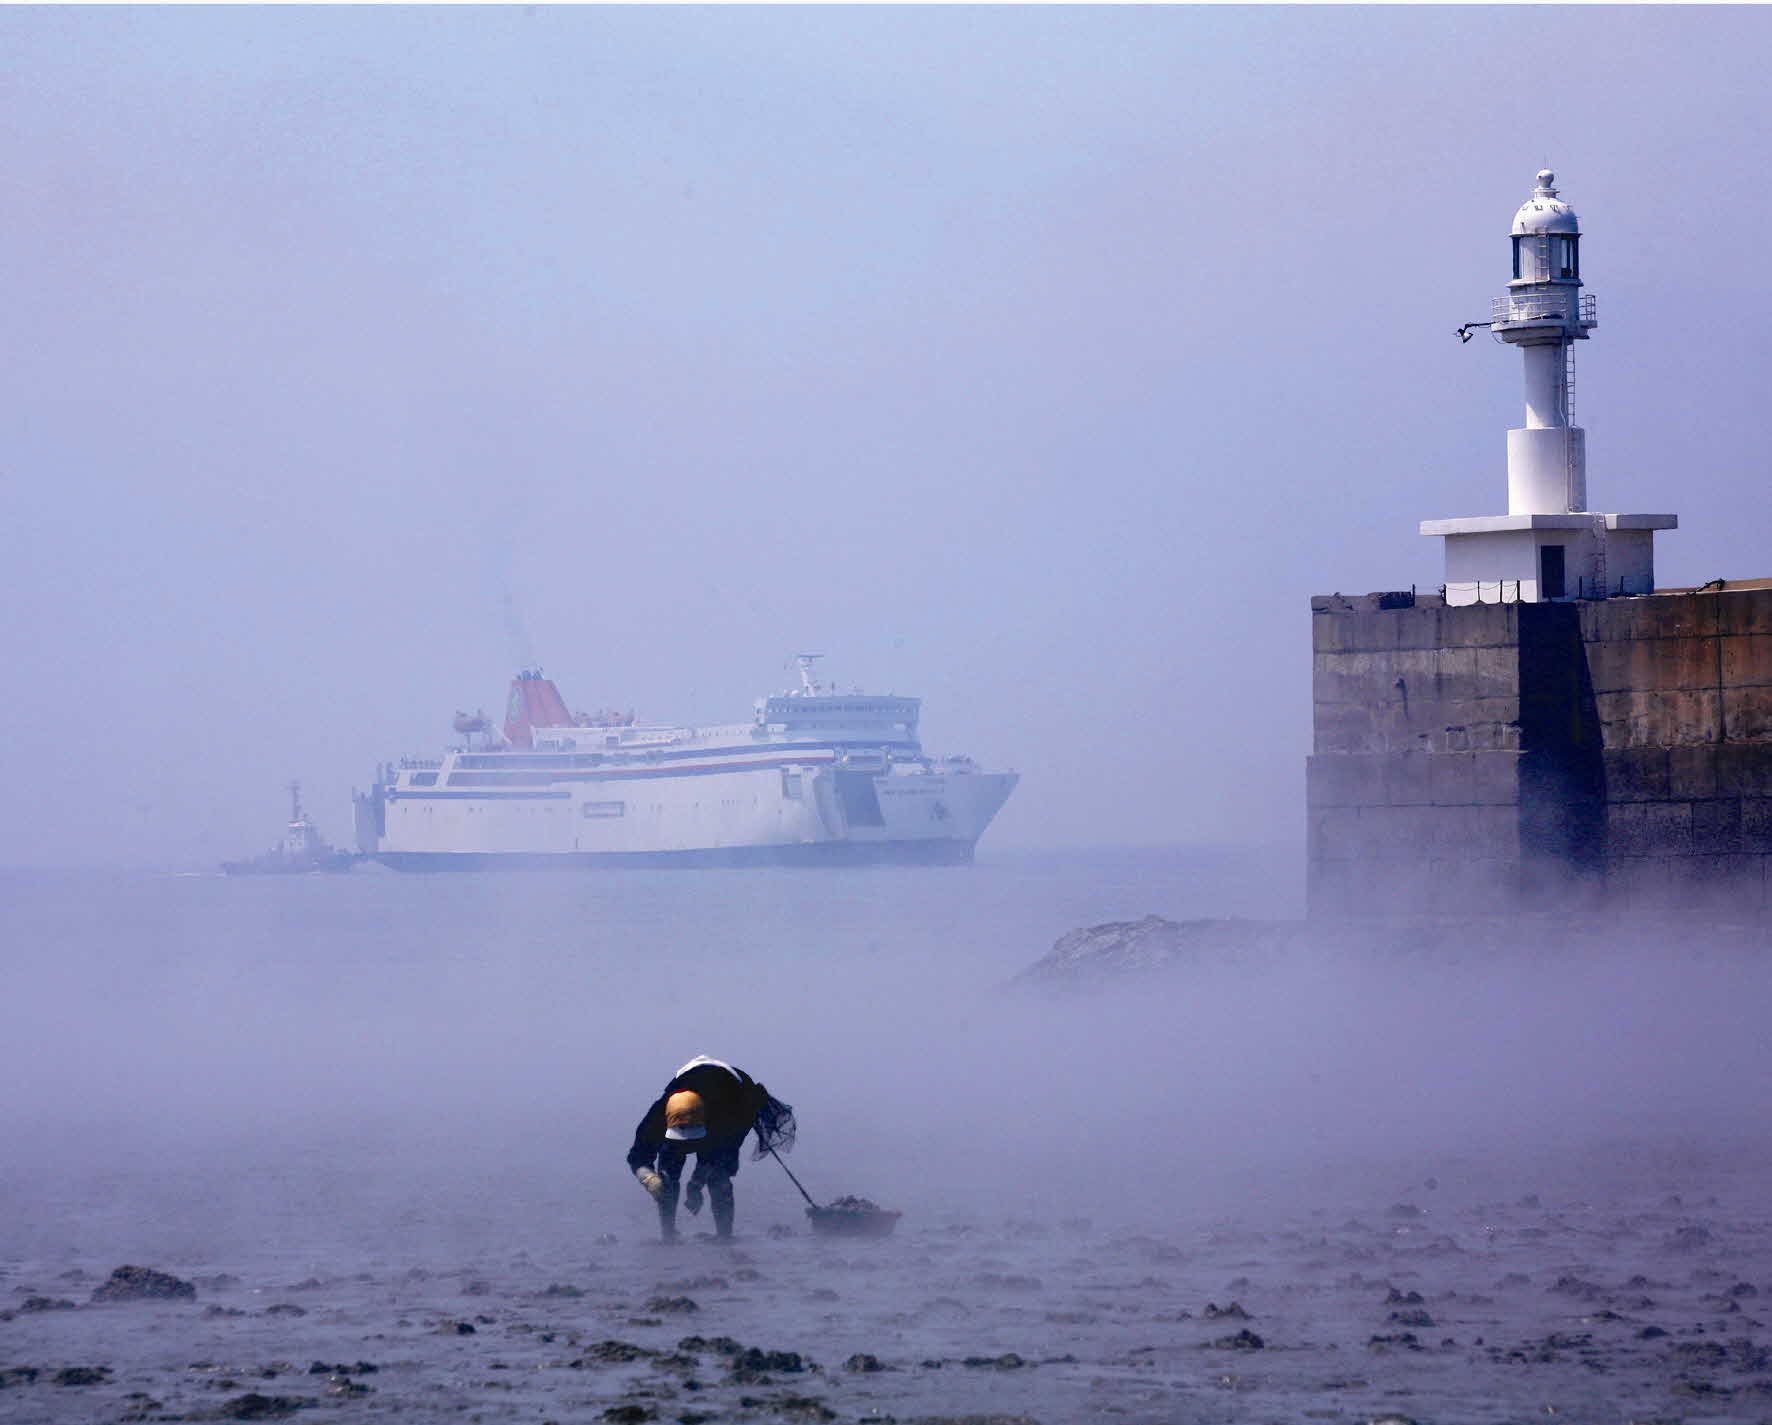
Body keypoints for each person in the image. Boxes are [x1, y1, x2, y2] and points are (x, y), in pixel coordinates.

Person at [626, 1055, 796, 1241]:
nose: (687, 1141)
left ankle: (724, 1236)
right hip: (700, 1093)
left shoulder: (732, 1115)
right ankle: (668, 1234)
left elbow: (717, 1156)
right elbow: (638, 1155)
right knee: (667, 1173)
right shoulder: (656, 1117)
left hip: (734, 1097)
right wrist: (649, 1178)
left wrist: (695, 1184)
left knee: (719, 1177)